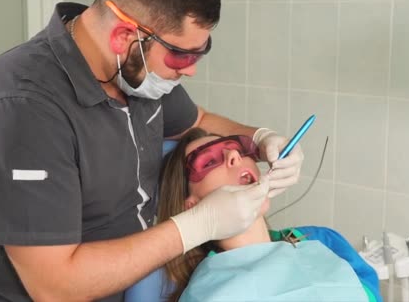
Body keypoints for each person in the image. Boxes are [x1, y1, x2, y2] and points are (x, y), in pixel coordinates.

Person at [0, 0, 304, 301]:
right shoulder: (23, 107)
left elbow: (196, 121)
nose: (190, 72)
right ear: (124, 37)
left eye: (200, 53)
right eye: (183, 57)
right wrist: (197, 225)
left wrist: (259, 139)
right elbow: (55, 288)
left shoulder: (136, 72)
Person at [156, 128, 382, 302]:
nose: (234, 155)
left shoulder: (321, 239)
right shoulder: (205, 292)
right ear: (192, 207)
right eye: (209, 161)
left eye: (237, 147)